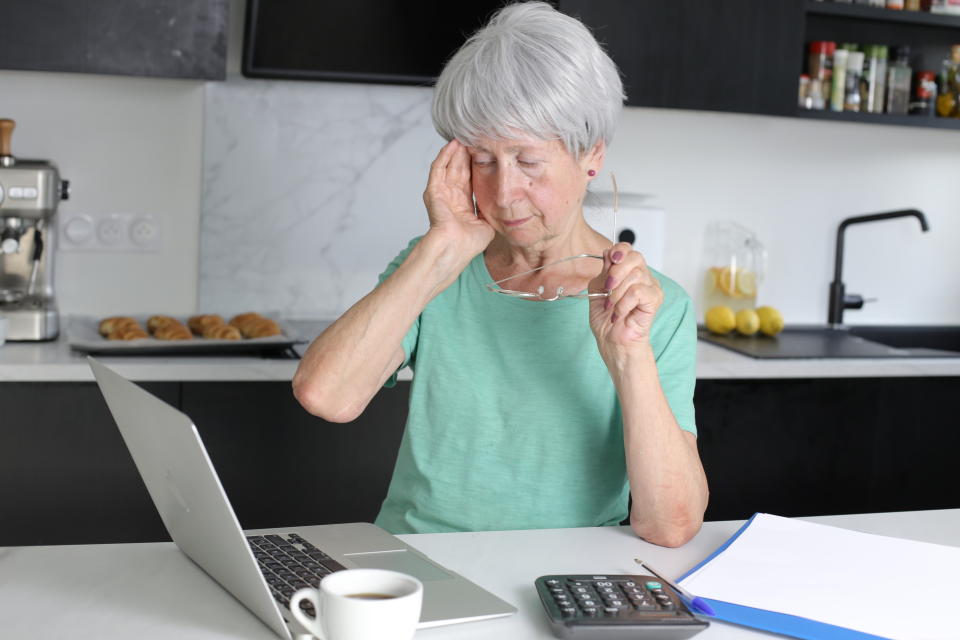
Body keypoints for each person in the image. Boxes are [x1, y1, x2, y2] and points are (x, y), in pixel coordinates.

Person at [293, 1, 708, 547]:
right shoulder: (437, 268)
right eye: (482, 161)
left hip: (567, 574)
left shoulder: (654, 306)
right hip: (421, 558)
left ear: (592, 155)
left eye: (527, 161)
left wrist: (628, 354)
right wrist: (440, 248)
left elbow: (670, 525)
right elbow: (327, 396)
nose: (504, 193)